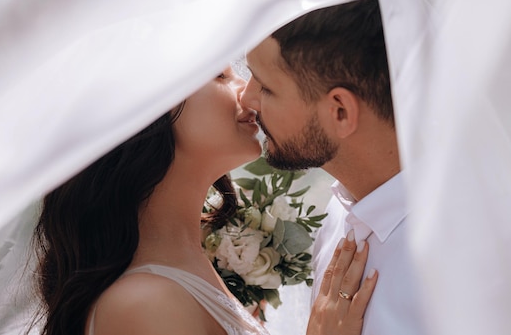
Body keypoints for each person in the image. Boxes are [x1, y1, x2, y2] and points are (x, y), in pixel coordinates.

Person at [29, 66, 377, 335]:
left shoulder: (180, 273)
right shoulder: (144, 304)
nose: (247, 92)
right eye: (219, 75)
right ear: (148, 112)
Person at [241, 0, 425, 334]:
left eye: (266, 87)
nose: (246, 99)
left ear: (340, 111)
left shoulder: (465, 260)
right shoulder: (341, 214)